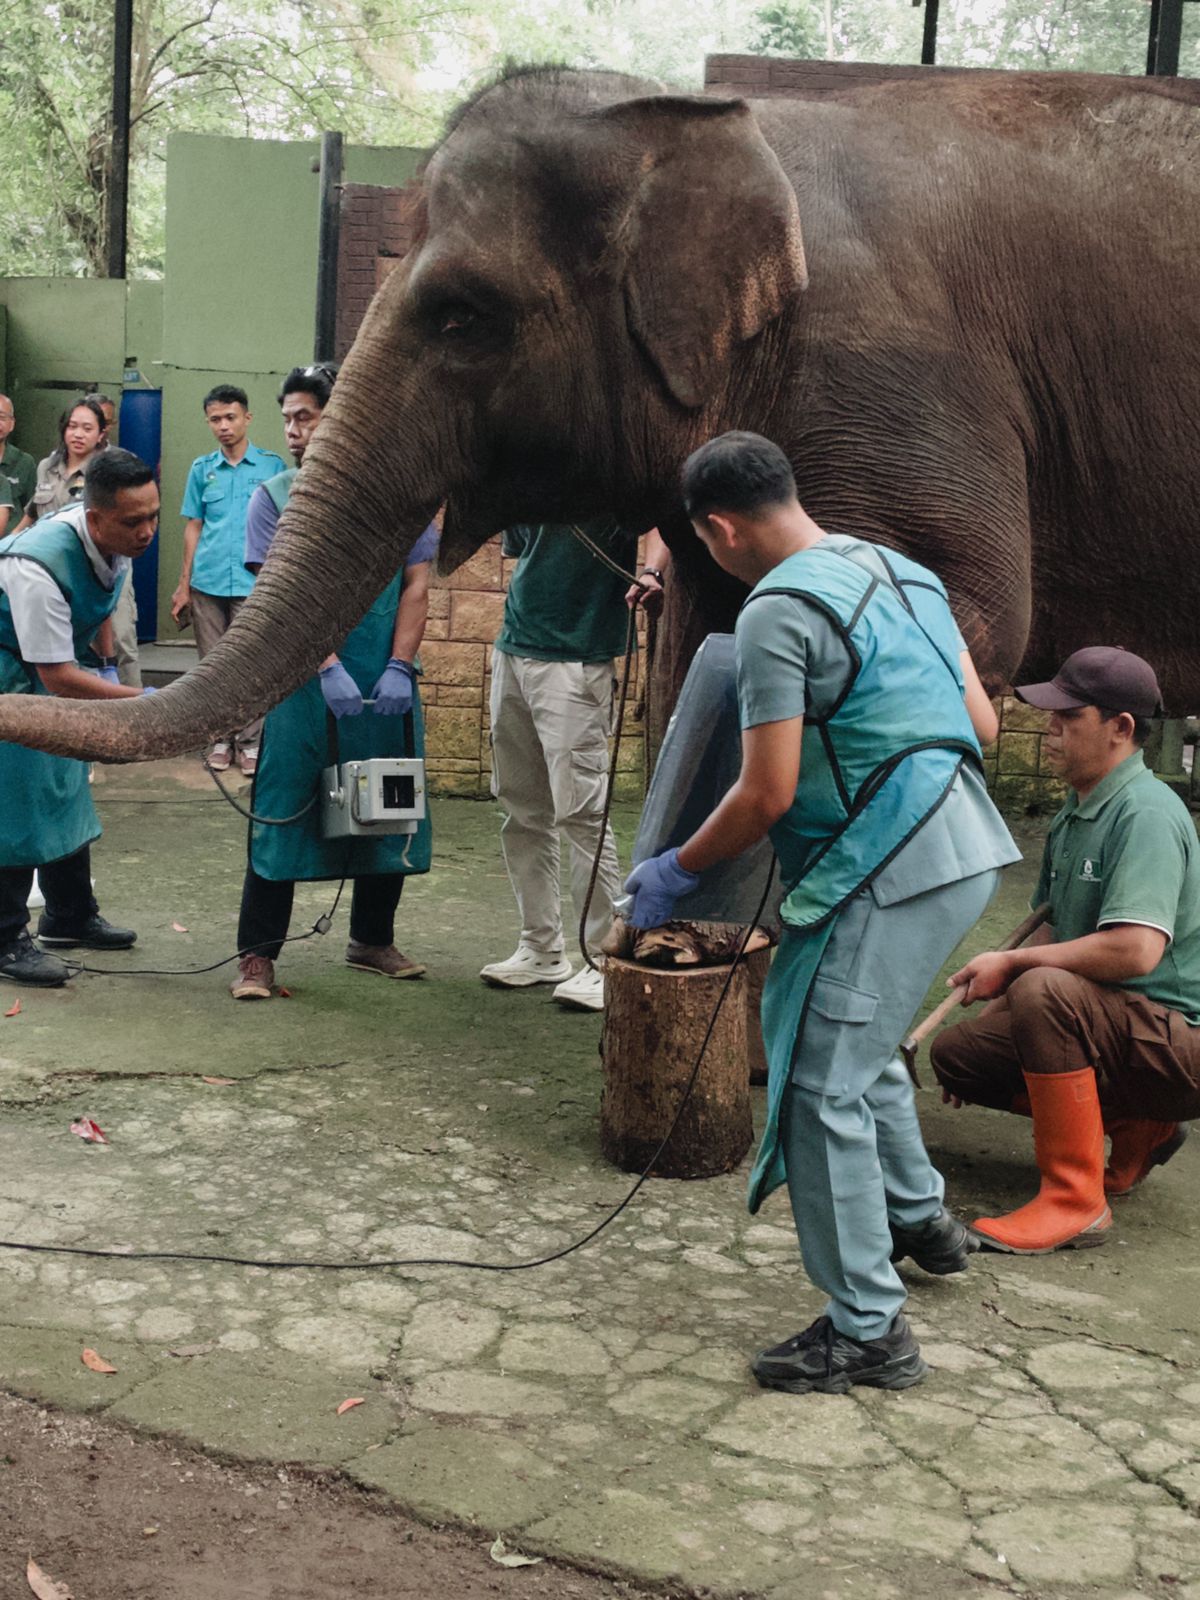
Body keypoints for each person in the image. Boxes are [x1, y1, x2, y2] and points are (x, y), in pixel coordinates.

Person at [624, 432, 1020, 1396]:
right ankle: (921, 1219)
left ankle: (868, 1330)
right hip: (967, 851)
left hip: (886, 868)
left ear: (721, 528)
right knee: (860, 1040)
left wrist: (674, 869)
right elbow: (981, 725)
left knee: (814, 1084)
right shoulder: (908, 575)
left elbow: (765, 793)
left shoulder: (778, 609)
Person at [931, 647, 1199, 1252]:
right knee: (960, 1055)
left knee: (1042, 988)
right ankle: (1140, 1124)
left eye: (1067, 717)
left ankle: (1076, 1202)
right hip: (1119, 1027)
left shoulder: (1146, 813)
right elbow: (1050, 934)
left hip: (1181, 1041)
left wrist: (1016, 966)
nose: (1049, 729)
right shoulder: (1076, 813)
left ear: (1120, 728)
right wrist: (1000, 998)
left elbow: (1135, 952)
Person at [229, 363, 435, 1000]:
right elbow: (282, 597)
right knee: (283, 807)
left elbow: (417, 585)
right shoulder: (274, 500)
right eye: (287, 418)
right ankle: (257, 956)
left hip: (384, 677)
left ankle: (371, 938)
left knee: (389, 803)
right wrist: (326, 665)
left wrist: (399, 665)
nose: (293, 430)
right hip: (305, 684)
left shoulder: (403, 499)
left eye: (306, 417)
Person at [0, 450, 159, 987]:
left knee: (66, 789)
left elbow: (101, 600)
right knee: (15, 802)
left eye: (153, 516)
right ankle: (4, 937)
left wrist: (108, 665)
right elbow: (57, 678)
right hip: (10, 677)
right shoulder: (37, 566)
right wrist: (141, 701)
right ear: (95, 517)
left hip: (48, 664)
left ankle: (69, 915)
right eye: (134, 521)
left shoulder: (118, 536)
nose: (147, 531)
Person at [481, 517, 641, 1012]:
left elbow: (658, 518)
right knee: (521, 809)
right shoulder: (526, 481)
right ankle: (541, 947)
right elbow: (520, 548)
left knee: (582, 814)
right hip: (514, 647)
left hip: (577, 658)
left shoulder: (614, 479)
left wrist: (653, 570)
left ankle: (604, 959)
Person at [173, 385, 286, 775]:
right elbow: (194, 526)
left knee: (252, 665)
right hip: (207, 583)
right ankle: (221, 739)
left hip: (254, 584)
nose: (223, 426)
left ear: (247, 418)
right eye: (215, 419)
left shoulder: (272, 467)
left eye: (230, 417)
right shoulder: (201, 470)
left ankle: (250, 743)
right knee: (214, 667)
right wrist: (184, 584)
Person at [13, 396, 106, 532]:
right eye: (72, 426)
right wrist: (10, 540)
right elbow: (32, 513)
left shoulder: (105, 473)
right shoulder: (46, 467)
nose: (78, 434)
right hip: (43, 542)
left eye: (87, 429)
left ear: (100, 435)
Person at [0, 396, 36, 537]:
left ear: (11, 424)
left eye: (2, 417)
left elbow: (32, 510)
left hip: (14, 541)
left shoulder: (25, 462)